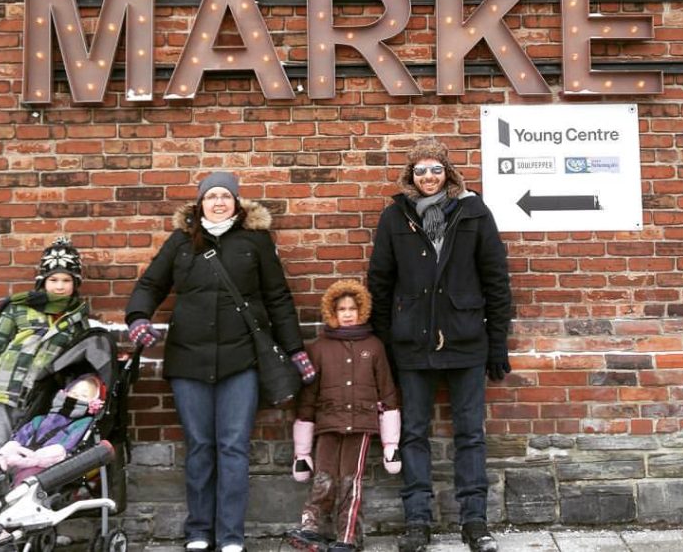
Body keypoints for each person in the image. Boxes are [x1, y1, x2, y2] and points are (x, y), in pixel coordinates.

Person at [124, 171, 316, 552]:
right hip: (188, 360)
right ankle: (198, 531)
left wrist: (295, 349)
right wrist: (139, 317)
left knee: (232, 446)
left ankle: (230, 536)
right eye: (211, 196)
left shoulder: (255, 242)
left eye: (225, 196)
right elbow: (150, 285)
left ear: (236, 203)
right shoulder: (181, 242)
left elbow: (278, 297)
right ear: (200, 203)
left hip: (240, 359)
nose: (217, 202)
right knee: (199, 446)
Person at [367, 139, 512, 552]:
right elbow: (379, 281)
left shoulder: (473, 212)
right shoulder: (395, 217)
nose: (427, 177)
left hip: (467, 339)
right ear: (409, 176)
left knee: (470, 433)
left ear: (448, 172)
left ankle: (475, 521)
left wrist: (496, 342)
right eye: (419, 170)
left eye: (435, 169)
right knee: (413, 433)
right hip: (412, 343)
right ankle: (417, 520)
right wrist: (384, 344)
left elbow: (496, 279)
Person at [285, 279, 401, 552]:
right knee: (324, 478)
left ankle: (348, 537)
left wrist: (391, 445)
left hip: (360, 425)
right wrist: (302, 453)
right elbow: (308, 400)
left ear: (362, 310)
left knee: (351, 480)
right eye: (341, 309)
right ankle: (312, 529)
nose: (347, 313)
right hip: (327, 424)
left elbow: (387, 395)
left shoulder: (374, 347)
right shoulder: (319, 348)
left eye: (352, 308)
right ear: (331, 313)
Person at [0, 238, 90, 466]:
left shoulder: (78, 322)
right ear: (43, 281)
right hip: (3, 391)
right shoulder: (19, 309)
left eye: (66, 280)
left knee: (24, 452)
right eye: (53, 279)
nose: (59, 286)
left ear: (75, 283)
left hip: (39, 399)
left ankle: (16, 499)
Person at [0, 374, 105, 551]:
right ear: (64, 393)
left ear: (93, 403)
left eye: (84, 396)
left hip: (47, 464)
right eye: (74, 392)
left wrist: (34, 458)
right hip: (19, 458)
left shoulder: (83, 423)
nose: (77, 397)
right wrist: (4, 454)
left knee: (24, 485)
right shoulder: (40, 419)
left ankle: (5, 526)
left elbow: (66, 447)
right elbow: (19, 438)